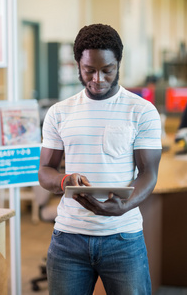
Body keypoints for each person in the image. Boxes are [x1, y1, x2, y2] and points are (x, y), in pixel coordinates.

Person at [38, 24, 162, 295]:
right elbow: (45, 170)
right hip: (68, 239)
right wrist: (64, 180)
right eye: (89, 70)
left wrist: (124, 205)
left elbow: (148, 174)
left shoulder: (142, 112)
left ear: (118, 63)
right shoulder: (59, 113)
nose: (98, 79)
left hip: (123, 238)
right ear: (78, 65)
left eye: (107, 70)